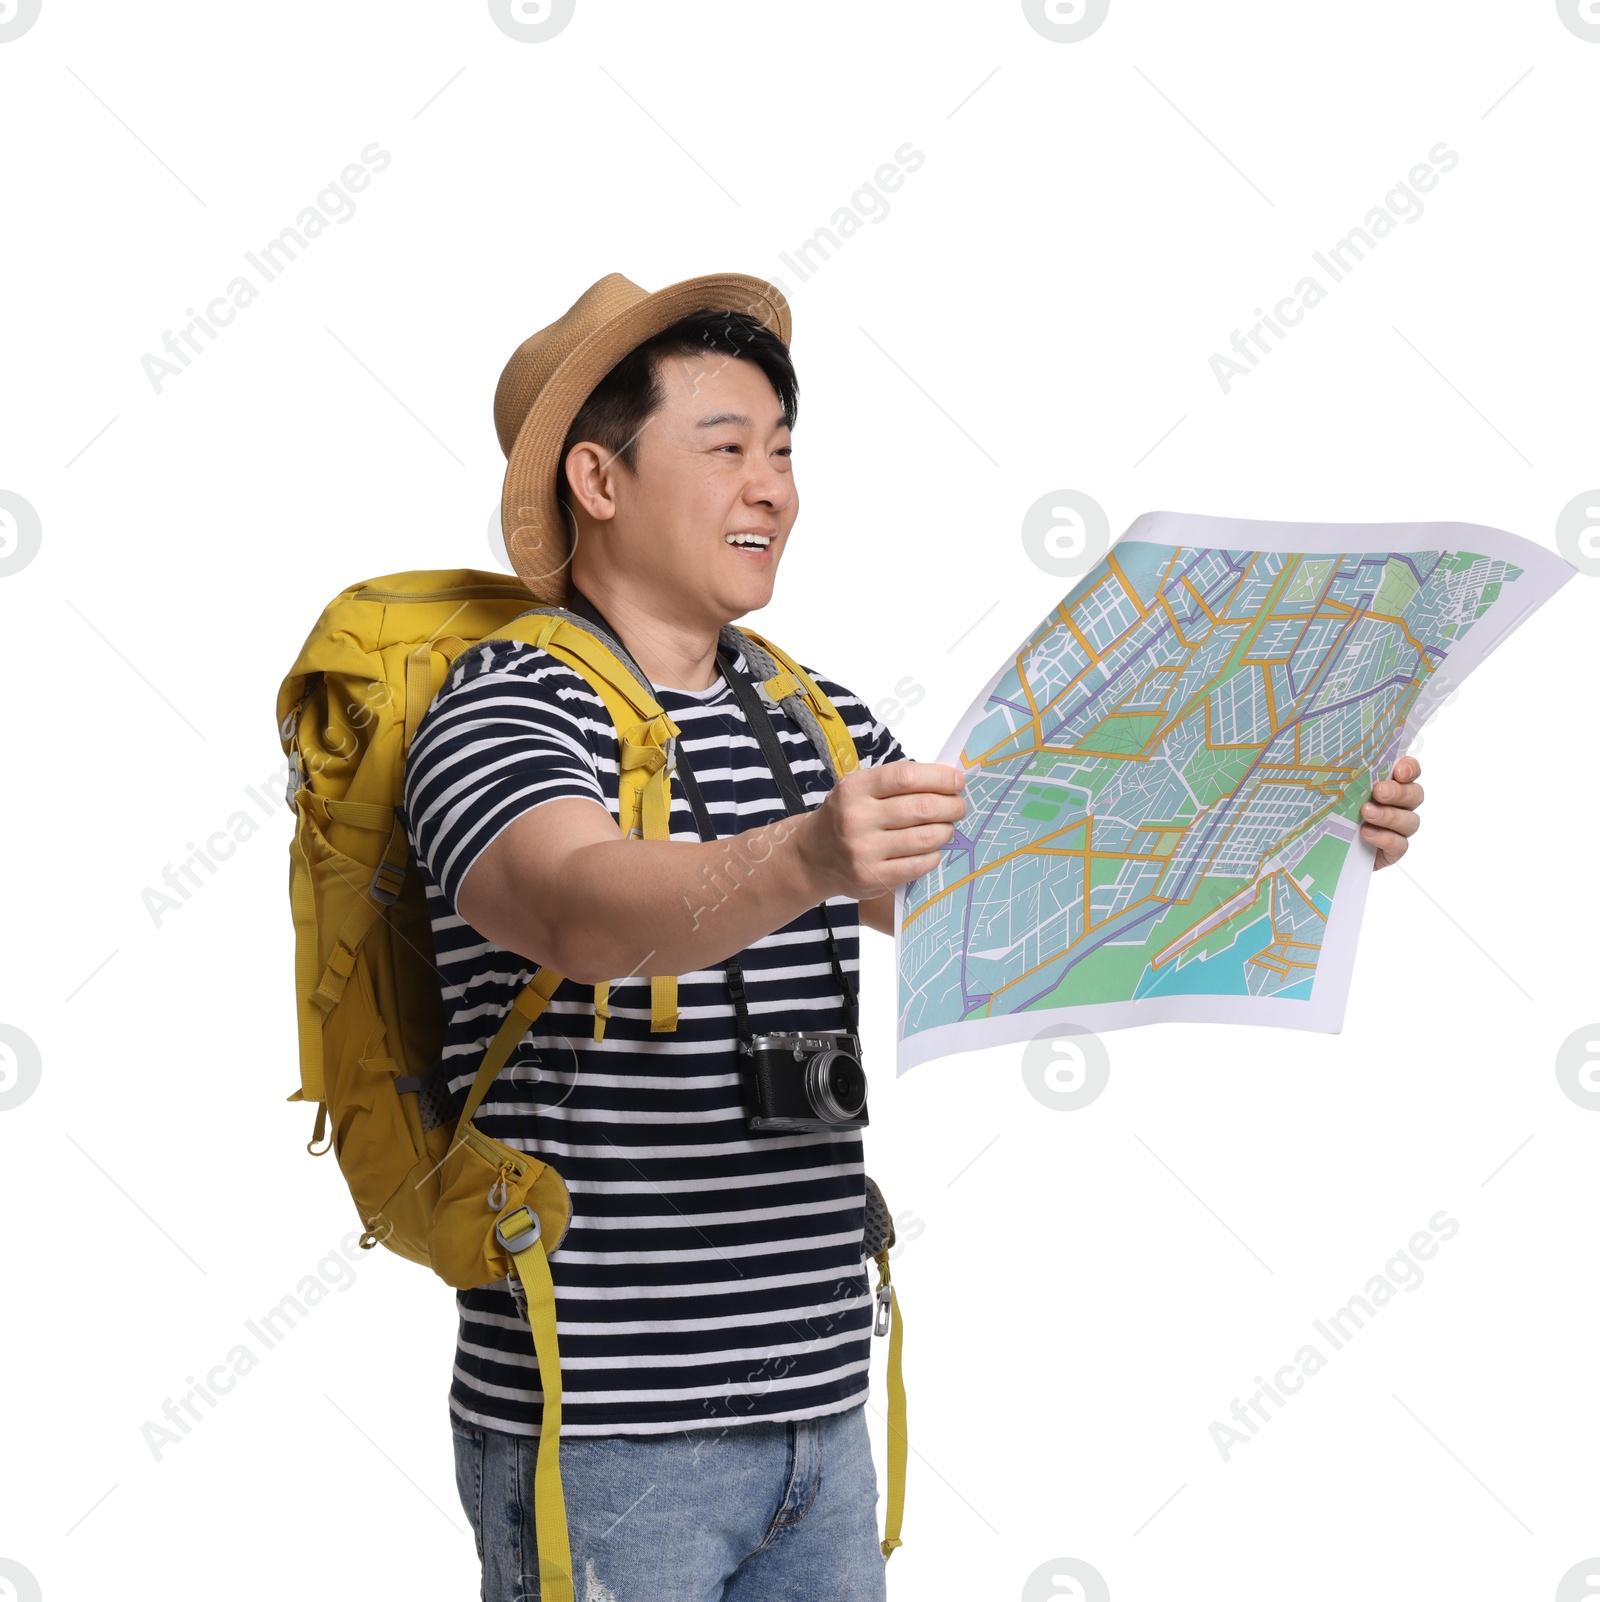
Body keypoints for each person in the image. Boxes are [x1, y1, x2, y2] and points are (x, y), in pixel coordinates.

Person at [401, 272, 1425, 1602]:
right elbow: (573, 905)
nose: (774, 486)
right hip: (603, 1427)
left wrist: (1306, 813)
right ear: (599, 479)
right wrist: (807, 855)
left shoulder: (818, 716)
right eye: (726, 449)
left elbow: (1034, 893)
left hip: (822, 1413)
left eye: (782, 448)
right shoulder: (509, 699)